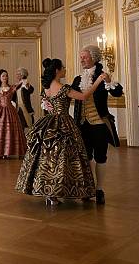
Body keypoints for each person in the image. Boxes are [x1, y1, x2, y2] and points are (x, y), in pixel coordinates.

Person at [16, 58, 106, 206]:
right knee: (67, 158)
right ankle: (74, 191)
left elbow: (46, 103)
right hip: (63, 122)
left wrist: (49, 106)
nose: (65, 69)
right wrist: (98, 81)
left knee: (48, 158)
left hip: (48, 123)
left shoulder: (46, 87)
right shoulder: (63, 88)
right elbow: (83, 97)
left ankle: (50, 193)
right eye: (63, 67)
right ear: (57, 70)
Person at [71, 45, 124, 205]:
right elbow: (68, 95)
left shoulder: (103, 75)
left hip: (99, 123)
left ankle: (99, 189)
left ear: (93, 58)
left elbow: (117, 92)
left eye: (84, 57)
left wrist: (108, 81)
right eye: (81, 57)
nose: (81, 60)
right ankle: (87, 188)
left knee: (101, 156)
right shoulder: (77, 79)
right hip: (82, 124)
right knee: (85, 156)